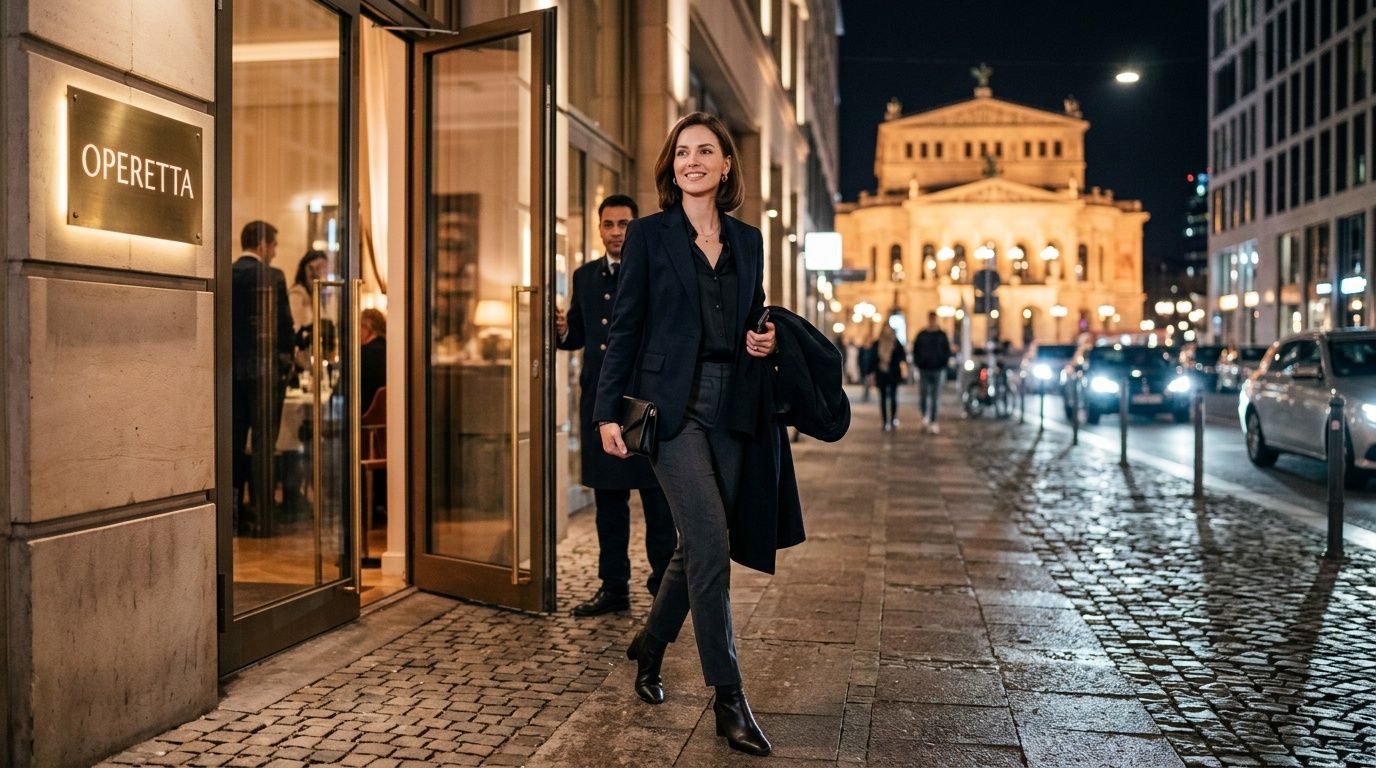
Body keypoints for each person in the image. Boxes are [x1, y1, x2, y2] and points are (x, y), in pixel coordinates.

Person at [592, 112, 775, 757]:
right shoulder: (649, 235)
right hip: (671, 409)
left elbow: (751, 312)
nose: (692, 161)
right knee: (711, 540)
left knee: (697, 546)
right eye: (681, 153)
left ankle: (649, 644)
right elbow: (627, 329)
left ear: (726, 165)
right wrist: (606, 411)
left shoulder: (749, 239)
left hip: (733, 406)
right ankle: (729, 697)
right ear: (672, 167)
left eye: (705, 151)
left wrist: (764, 335)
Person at [556, 194, 676, 615]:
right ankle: (614, 587)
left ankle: (664, 585)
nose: (616, 233)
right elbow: (579, 337)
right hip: (602, 402)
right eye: (608, 224)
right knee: (609, 504)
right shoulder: (585, 276)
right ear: (599, 228)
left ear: (636, 226)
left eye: (624, 224)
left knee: (657, 500)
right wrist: (560, 329)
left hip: (645, 403)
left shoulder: (654, 271)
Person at [231, 220, 295, 535]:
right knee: (262, 445)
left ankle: (231, 515)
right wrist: (287, 362)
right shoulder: (273, 276)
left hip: (231, 374)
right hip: (264, 374)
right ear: (262, 245)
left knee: (232, 442)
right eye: (274, 246)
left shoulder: (226, 273)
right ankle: (262, 515)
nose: (274, 252)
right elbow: (284, 328)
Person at [912, 311, 953, 434]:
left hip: (938, 369)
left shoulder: (941, 335)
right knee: (923, 395)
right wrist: (919, 362)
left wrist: (943, 363)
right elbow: (916, 350)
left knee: (936, 397)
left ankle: (934, 421)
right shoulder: (922, 335)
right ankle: (925, 416)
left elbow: (947, 351)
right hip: (924, 368)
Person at [869, 325, 907, 431]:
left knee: (894, 397)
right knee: (883, 397)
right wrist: (871, 373)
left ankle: (893, 418)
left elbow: (902, 356)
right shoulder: (877, 343)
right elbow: (872, 358)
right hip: (881, 373)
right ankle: (885, 421)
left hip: (893, 373)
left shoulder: (896, 343)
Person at [359, 308, 387, 414]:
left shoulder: (364, 354)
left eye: (360, 327)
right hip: (384, 416)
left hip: (363, 416)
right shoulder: (389, 349)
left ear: (368, 327)